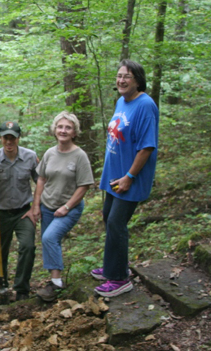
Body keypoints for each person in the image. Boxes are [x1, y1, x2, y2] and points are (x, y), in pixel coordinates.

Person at [92, 59, 159, 297]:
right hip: (114, 175)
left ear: (138, 80)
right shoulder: (122, 101)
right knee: (108, 217)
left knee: (116, 223)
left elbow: (146, 147)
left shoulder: (145, 105)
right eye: (119, 76)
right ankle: (113, 266)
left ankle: (120, 278)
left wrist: (129, 176)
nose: (121, 80)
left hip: (130, 178)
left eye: (127, 76)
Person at [31, 112, 94, 302]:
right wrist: (36, 205)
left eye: (68, 127)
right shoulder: (50, 153)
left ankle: (57, 285)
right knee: (48, 241)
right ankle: (54, 281)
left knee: (50, 237)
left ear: (74, 132)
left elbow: (84, 185)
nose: (63, 131)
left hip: (69, 208)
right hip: (47, 206)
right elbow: (41, 179)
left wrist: (67, 207)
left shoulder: (79, 156)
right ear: (54, 129)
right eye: (60, 127)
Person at [0, 122, 38, 301]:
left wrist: (36, 207)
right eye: (6, 137)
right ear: (1, 138)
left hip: (23, 212)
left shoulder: (30, 157)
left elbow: (41, 182)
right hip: (0, 213)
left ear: (18, 138)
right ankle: (0, 286)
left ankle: (22, 289)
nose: (9, 141)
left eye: (13, 137)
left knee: (28, 246)